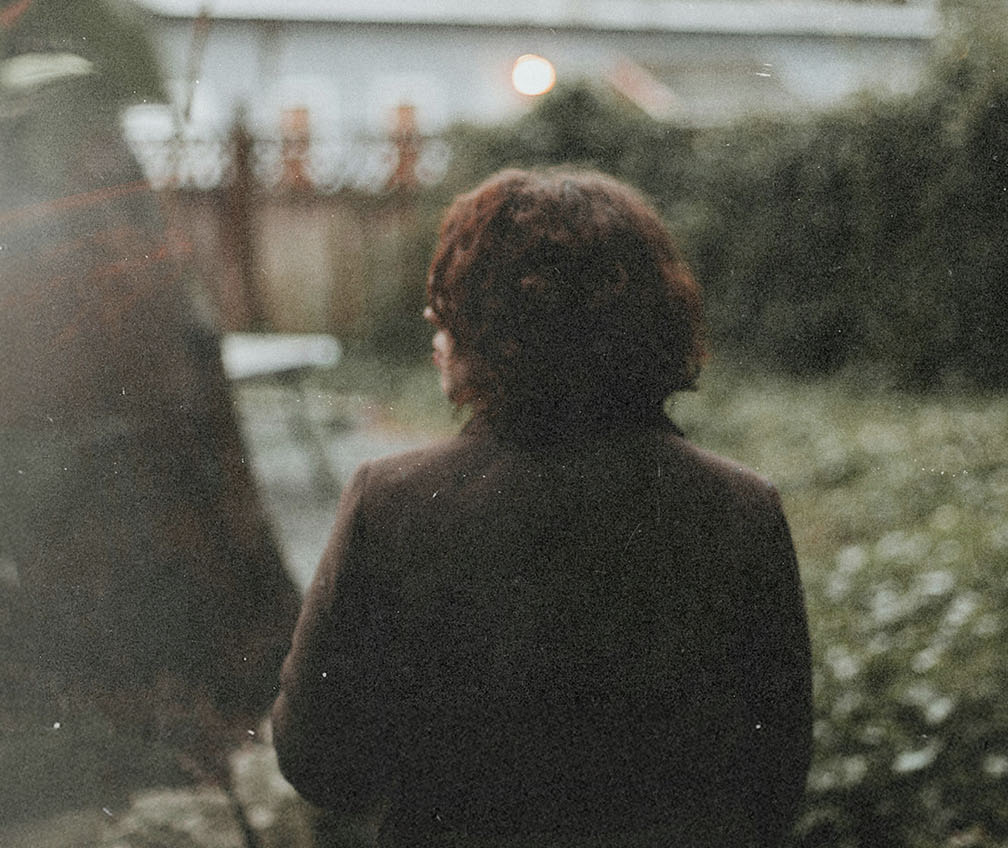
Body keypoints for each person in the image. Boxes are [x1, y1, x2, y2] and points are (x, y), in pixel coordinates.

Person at [272, 166, 813, 847]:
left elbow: (319, 759)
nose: (433, 326)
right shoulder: (742, 507)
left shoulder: (392, 502)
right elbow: (775, 775)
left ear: (493, 332)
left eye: (450, 309)